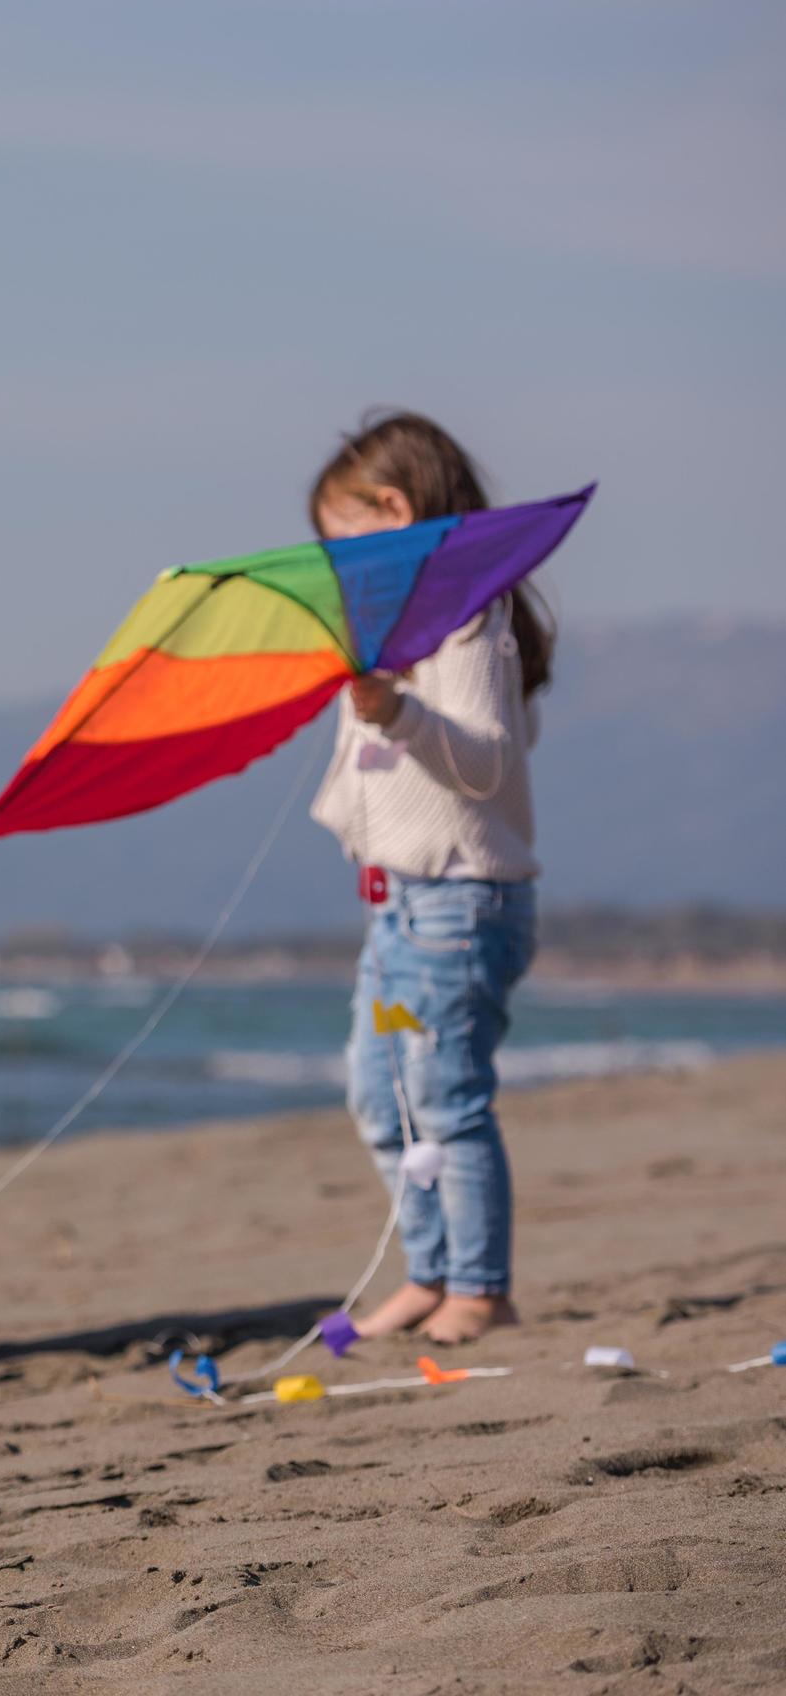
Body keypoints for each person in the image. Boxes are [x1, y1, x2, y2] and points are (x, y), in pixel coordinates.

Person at [310, 414, 548, 1345]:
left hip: (461, 903)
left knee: (446, 1099)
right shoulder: (395, 635)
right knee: (379, 1095)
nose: (337, 564)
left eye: (343, 541)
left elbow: (488, 764)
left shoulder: (471, 622)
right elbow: (371, 771)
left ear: (396, 511)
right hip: (397, 906)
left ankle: (480, 1289)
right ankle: (430, 1270)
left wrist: (400, 711)